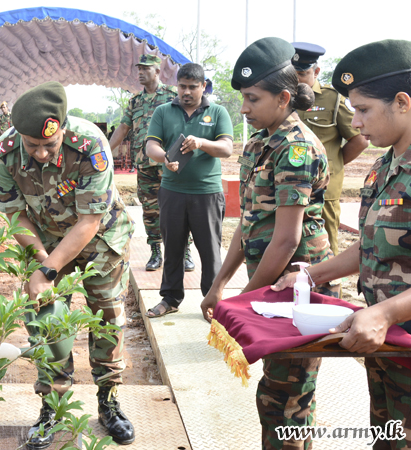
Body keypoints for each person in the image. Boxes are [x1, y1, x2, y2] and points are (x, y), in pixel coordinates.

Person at [273, 39, 411, 450]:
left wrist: (385, 311)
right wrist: (311, 274)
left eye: (364, 109)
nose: (357, 122)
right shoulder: (385, 165)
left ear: (402, 102)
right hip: (386, 344)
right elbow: (371, 246)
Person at [200, 37, 338, 450]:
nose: (243, 108)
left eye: (251, 98)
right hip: (269, 287)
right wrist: (219, 284)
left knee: (289, 399)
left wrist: (243, 301)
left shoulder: (295, 148)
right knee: (273, 396)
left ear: (283, 98)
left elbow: (285, 239)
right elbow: (250, 224)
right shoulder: (260, 143)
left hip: (298, 291)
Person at [0, 81, 136, 447]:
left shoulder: (90, 146)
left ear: (63, 128)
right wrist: (42, 261)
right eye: (32, 145)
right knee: (47, 320)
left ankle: (109, 402)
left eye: (49, 146)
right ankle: (53, 407)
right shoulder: (4, 152)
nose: (40, 154)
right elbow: (14, 214)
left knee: (107, 317)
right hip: (45, 239)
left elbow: (88, 222)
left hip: (101, 238)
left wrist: (48, 269)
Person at [143, 63, 233, 318]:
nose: (187, 92)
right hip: (172, 191)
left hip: (207, 193)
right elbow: (151, 146)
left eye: (193, 87)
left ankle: (212, 302)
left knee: (209, 251)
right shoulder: (163, 111)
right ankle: (170, 298)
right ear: (176, 85)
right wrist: (164, 159)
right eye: (182, 86)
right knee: (172, 248)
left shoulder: (217, 112)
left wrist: (202, 142)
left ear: (203, 86)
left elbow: (227, 148)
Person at [109, 54, 197, 272]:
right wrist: (105, 150)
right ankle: (156, 252)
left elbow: (190, 119)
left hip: (172, 164)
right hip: (145, 165)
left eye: (145, 69)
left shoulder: (171, 95)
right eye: (138, 69)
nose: (140, 72)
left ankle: (185, 252)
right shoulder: (135, 102)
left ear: (157, 71)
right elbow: (122, 129)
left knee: (179, 208)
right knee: (150, 211)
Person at [291, 42, 368, 257]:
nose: (297, 80)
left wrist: (332, 163)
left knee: (326, 247)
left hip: (324, 189)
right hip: (287, 185)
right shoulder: (283, 98)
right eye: (292, 74)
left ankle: (330, 291)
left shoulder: (332, 99)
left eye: (302, 74)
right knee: (289, 245)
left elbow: (359, 139)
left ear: (316, 72)